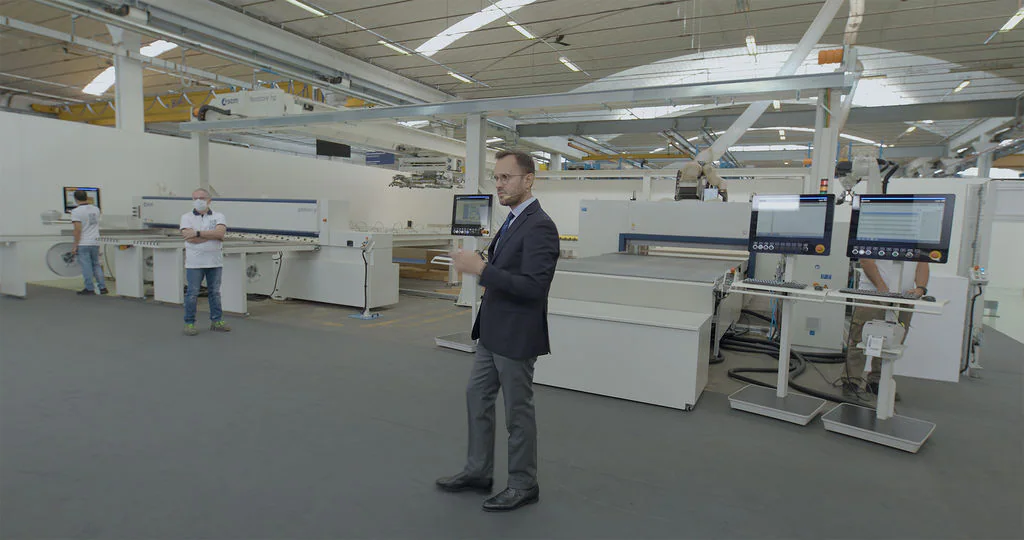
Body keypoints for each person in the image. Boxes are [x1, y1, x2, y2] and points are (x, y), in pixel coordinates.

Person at [437, 150, 560, 512]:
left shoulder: (540, 226)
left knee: (517, 412)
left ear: (528, 179)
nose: (499, 184)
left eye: (506, 177)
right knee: (477, 397)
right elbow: (504, 269)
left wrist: (481, 269)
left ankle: (523, 484)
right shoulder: (511, 221)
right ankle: (478, 471)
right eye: (497, 177)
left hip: (516, 335)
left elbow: (535, 287)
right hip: (491, 332)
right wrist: (481, 264)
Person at [843, 258, 929, 396]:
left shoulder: (918, 245)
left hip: (904, 298)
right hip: (873, 295)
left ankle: (878, 382)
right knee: (859, 339)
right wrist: (881, 287)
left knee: (891, 343)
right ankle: (851, 381)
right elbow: (866, 261)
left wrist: (921, 288)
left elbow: (922, 263)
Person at [179, 188, 231, 336]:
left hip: (215, 262)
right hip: (194, 263)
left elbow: (220, 233)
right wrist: (212, 236)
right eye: (195, 198)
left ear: (209, 200)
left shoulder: (219, 216)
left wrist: (197, 233)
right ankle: (189, 322)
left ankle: (217, 321)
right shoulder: (186, 217)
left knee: (215, 293)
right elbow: (189, 238)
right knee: (192, 293)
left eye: (201, 198)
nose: (198, 201)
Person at [70, 190, 108, 295]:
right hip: (95, 241)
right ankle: (102, 287)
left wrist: (75, 245)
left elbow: (77, 230)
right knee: (96, 264)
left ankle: (89, 288)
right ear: (86, 197)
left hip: (83, 242)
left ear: (75, 199)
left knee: (86, 266)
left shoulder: (76, 211)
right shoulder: (96, 209)